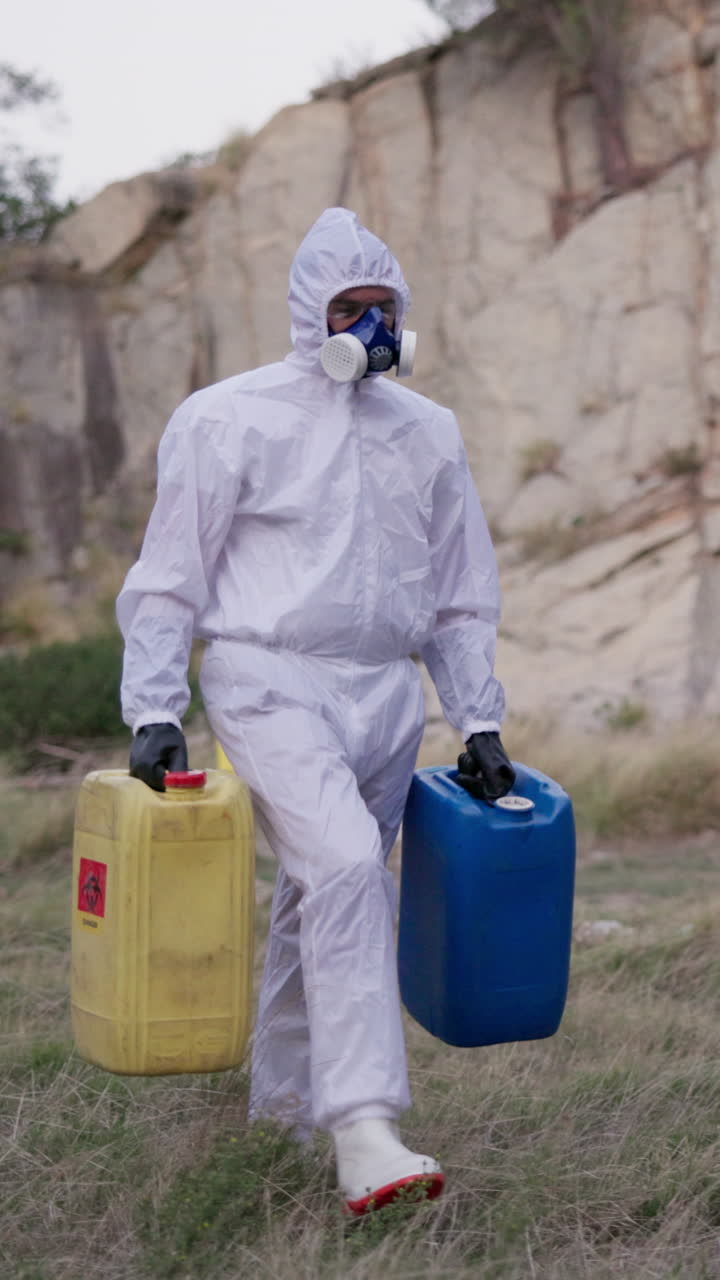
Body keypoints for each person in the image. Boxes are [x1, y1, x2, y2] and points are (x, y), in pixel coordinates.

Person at [116, 206, 515, 1215]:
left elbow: (462, 590)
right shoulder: (228, 416)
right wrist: (155, 701)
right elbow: (168, 577)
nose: (371, 324)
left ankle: (286, 1112)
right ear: (310, 312)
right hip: (267, 674)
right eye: (351, 306)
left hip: (386, 691)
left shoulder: (429, 430)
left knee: (318, 899)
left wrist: (477, 720)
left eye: (385, 306)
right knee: (344, 867)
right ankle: (365, 1127)